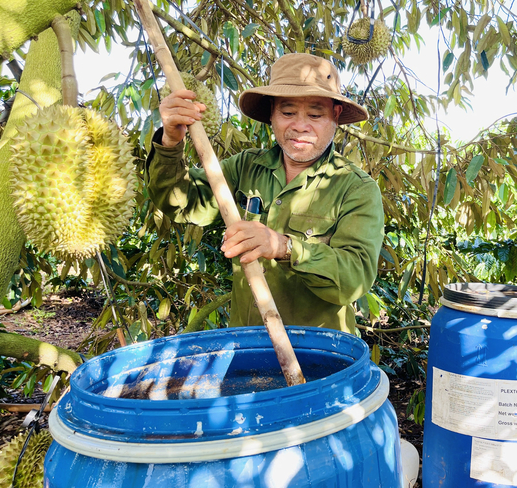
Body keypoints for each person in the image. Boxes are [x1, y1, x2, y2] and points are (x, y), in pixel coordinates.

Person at [145, 53, 384, 335]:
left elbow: (354, 277)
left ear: (336, 115)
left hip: (321, 353)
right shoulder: (245, 167)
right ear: (271, 114)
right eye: (287, 112)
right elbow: (183, 201)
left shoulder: (355, 188)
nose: (300, 125)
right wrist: (171, 141)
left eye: (315, 115)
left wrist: (284, 247)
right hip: (248, 343)